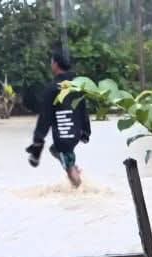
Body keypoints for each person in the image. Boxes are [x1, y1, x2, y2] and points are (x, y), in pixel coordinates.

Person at [27, 51, 91, 188]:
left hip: (63, 133)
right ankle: (76, 171)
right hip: (75, 132)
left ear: (55, 64)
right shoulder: (77, 85)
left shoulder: (52, 88)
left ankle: (80, 190)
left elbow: (45, 118)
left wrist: (38, 140)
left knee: (64, 157)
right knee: (57, 151)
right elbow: (83, 109)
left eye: (51, 62)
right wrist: (86, 131)